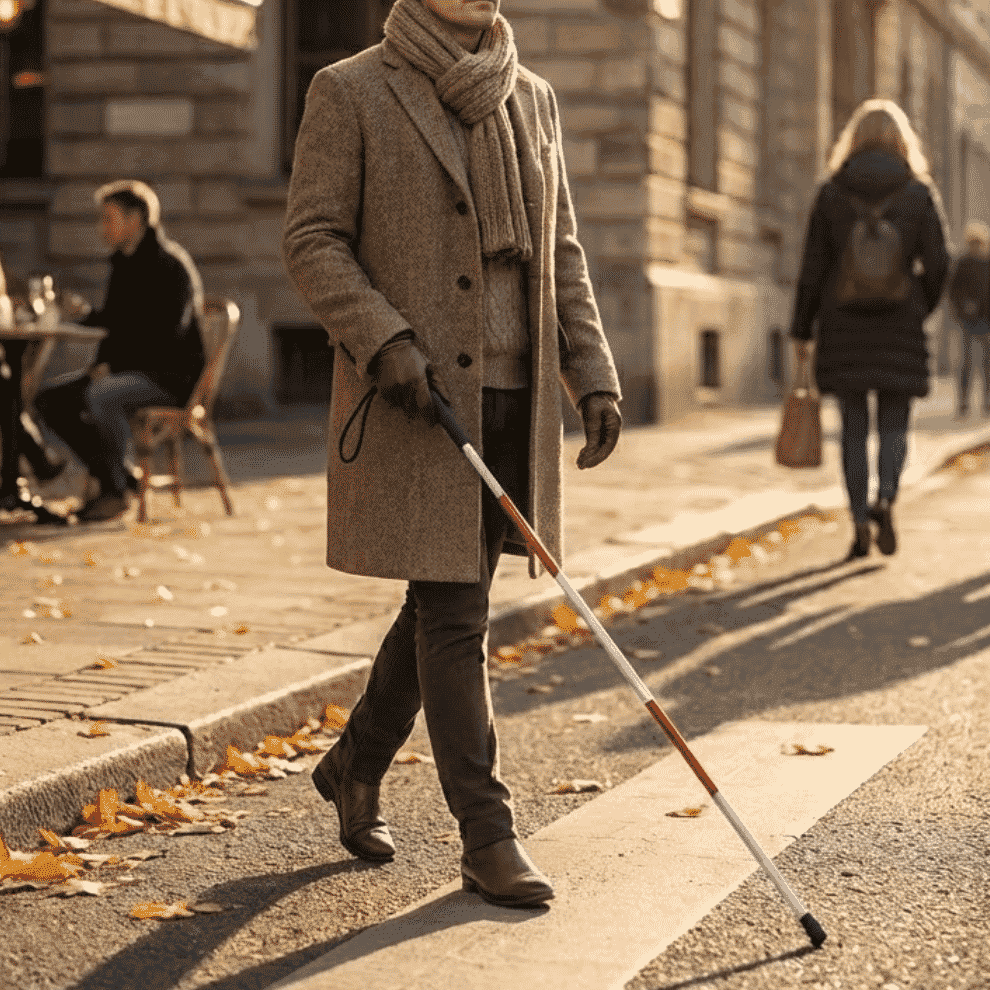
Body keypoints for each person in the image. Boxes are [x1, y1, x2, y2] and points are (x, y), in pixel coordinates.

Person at [283, 0, 622, 908]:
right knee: (455, 611)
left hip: (517, 399)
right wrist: (382, 337)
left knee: (445, 596)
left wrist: (591, 373)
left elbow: (560, 250)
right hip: (420, 396)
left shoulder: (532, 98)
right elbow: (312, 239)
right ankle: (488, 835)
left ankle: (355, 763)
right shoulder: (350, 89)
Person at [790, 98, 949, 560]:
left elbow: (813, 267)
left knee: (854, 429)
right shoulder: (918, 193)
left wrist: (802, 328)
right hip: (901, 325)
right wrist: (919, 305)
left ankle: (859, 520)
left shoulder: (831, 193)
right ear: (903, 141)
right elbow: (940, 262)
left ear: (853, 140)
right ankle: (886, 500)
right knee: (896, 424)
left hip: (844, 326)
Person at [34, 180, 205, 522]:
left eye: (108, 218)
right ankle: (120, 475)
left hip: (168, 378)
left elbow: (164, 337)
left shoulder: (169, 265)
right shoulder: (124, 262)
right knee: (50, 400)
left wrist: (111, 366)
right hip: (126, 369)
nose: (102, 227)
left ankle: (114, 493)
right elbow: (117, 323)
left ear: (135, 219)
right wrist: (84, 314)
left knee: (102, 395)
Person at [946, 220, 990, 418]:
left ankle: (987, 400)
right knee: (967, 361)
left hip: (987, 318)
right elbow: (953, 291)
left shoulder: (987, 263)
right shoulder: (962, 263)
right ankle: (963, 402)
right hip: (968, 319)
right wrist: (962, 307)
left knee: (987, 362)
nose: (975, 246)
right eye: (973, 242)